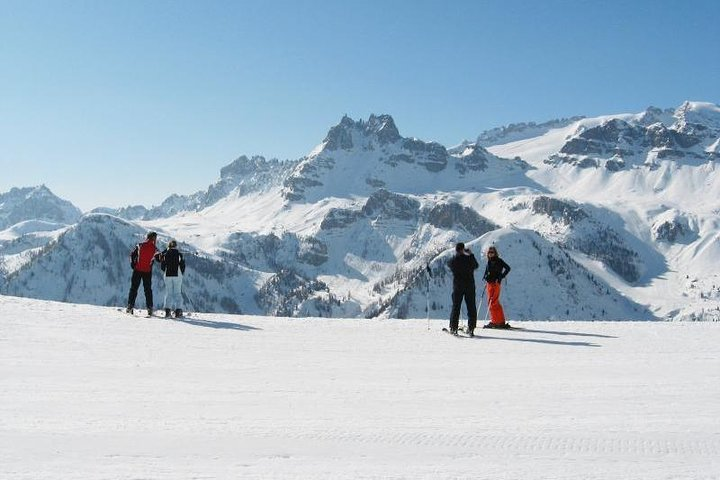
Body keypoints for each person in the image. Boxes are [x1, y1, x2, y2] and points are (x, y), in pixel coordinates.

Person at [448, 242, 479, 336]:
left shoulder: (454, 260)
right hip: (470, 286)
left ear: (456, 250)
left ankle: (454, 328)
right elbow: (476, 266)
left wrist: (458, 255)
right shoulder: (469, 259)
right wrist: (470, 254)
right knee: (471, 307)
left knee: (456, 307)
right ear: (463, 249)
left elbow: (449, 264)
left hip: (458, 286)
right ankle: (471, 328)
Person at [126, 231, 159, 316]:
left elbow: (132, 255)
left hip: (137, 270)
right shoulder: (155, 249)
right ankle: (150, 308)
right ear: (154, 239)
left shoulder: (140, 245)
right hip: (147, 271)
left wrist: (133, 265)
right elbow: (159, 259)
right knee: (148, 290)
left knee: (133, 289)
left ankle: (130, 306)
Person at [482, 245, 511, 329]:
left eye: (492, 252)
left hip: (495, 283)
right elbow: (487, 271)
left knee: (492, 302)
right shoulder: (489, 261)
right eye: (489, 252)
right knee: (493, 302)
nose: (490, 254)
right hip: (489, 283)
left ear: (495, 253)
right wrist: (485, 277)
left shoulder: (499, 261)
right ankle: (499, 321)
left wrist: (501, 276)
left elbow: (508, 268)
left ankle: (496, 322)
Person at [157, 239, 186, 318]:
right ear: (176, 246)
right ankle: (178, 311)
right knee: (177, 293)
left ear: (168, 246)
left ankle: (167, 311)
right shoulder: (179, 254)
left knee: (169, 293)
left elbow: (163, 267)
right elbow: (183, 265)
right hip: (177, 274)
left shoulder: (165, 254)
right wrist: (181, 273)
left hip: (167, 275)